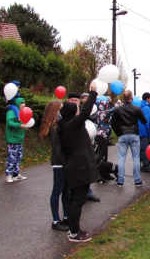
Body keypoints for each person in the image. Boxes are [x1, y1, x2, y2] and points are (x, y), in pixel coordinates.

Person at [58, 81, 101, 243]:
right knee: (78, 200)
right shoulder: (71, 126)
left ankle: (73, 228)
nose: (78, 112)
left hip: (77, 166)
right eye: (76, 109)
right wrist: (93, 93)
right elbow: (84, 113)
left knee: (74, 198)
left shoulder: (67, 124)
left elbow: (81, 115)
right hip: (79, 167)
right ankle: (74, 233)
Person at [40, 100, 69, 232]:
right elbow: (57, 147)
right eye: (61, 108)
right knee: (57, 190)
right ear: (55, 110)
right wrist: (65, 162)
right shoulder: (53, 126)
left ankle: (67, 217)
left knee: (66, 190)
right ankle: (56, 220)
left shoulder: (59, 123)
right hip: (59, 162)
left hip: (65, 161)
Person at [68, 92, 100, 202]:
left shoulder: (83, 112)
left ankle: (87, 192)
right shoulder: (66, 114)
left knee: (87, 168)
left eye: (75, 100)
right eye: (71, 100)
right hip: (73, 148)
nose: (73, 102)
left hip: (86, 143)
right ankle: (72, 194)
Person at [111, 90, 147, 188]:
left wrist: (119, 133)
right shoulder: (137, 109)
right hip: (134, 134)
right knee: (136, 157)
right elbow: (144, 121)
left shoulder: (118, 109)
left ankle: (120, 180)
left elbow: (113, 123)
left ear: (123, 98)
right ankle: (137, 180)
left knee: (122, 158)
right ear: (131, 98)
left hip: (123, 133)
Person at [5, 97, 27, 183]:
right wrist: (19, 125)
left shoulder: (22, 113)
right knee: (12, 157)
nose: (24, 105)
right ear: (18, 104)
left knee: (18, 157)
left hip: (19, 139)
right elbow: (9, 122)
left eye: (24, 103)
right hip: (12, 139)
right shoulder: (11, 112)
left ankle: (16, 174)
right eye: (22, 103)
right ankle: (8, 175)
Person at [95, 99, 118, 181]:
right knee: (101, 156)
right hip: (102, 136)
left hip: (104, 136)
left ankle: (105, 173)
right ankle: (98, 175)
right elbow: (114, 109)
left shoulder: (99, 112)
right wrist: (120, 103)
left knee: (104, 156)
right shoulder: (102, 113)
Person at [139, 92, 150, 173]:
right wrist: (149, 134)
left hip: (138, 130)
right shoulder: (146, 108)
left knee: (140, 149)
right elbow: (147, 122)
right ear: (147, 99)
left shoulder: (140, 106)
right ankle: (145, 165)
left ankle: (140, 164)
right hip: (144, 131)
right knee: (145, 149)